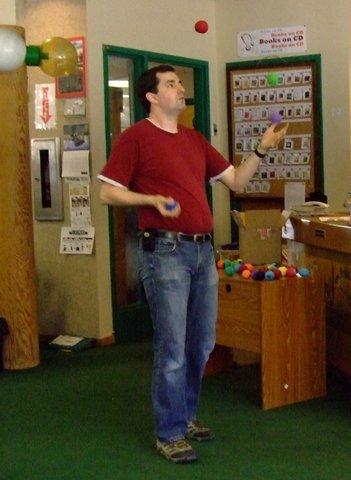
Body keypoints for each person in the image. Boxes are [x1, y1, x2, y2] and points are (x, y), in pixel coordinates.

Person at [98, 64, 288, 464]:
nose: (180, 88)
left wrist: (262, 147)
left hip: (204, 253)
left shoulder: (194, 139)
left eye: (179, 83)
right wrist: (150, 200)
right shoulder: (136, 138)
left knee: (200, 342)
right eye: (171, 84)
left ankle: (184, 418)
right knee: (172, 346)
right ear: (151, 96)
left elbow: (236, 182)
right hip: (165, 253)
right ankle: (168, 431)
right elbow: (107, 194)